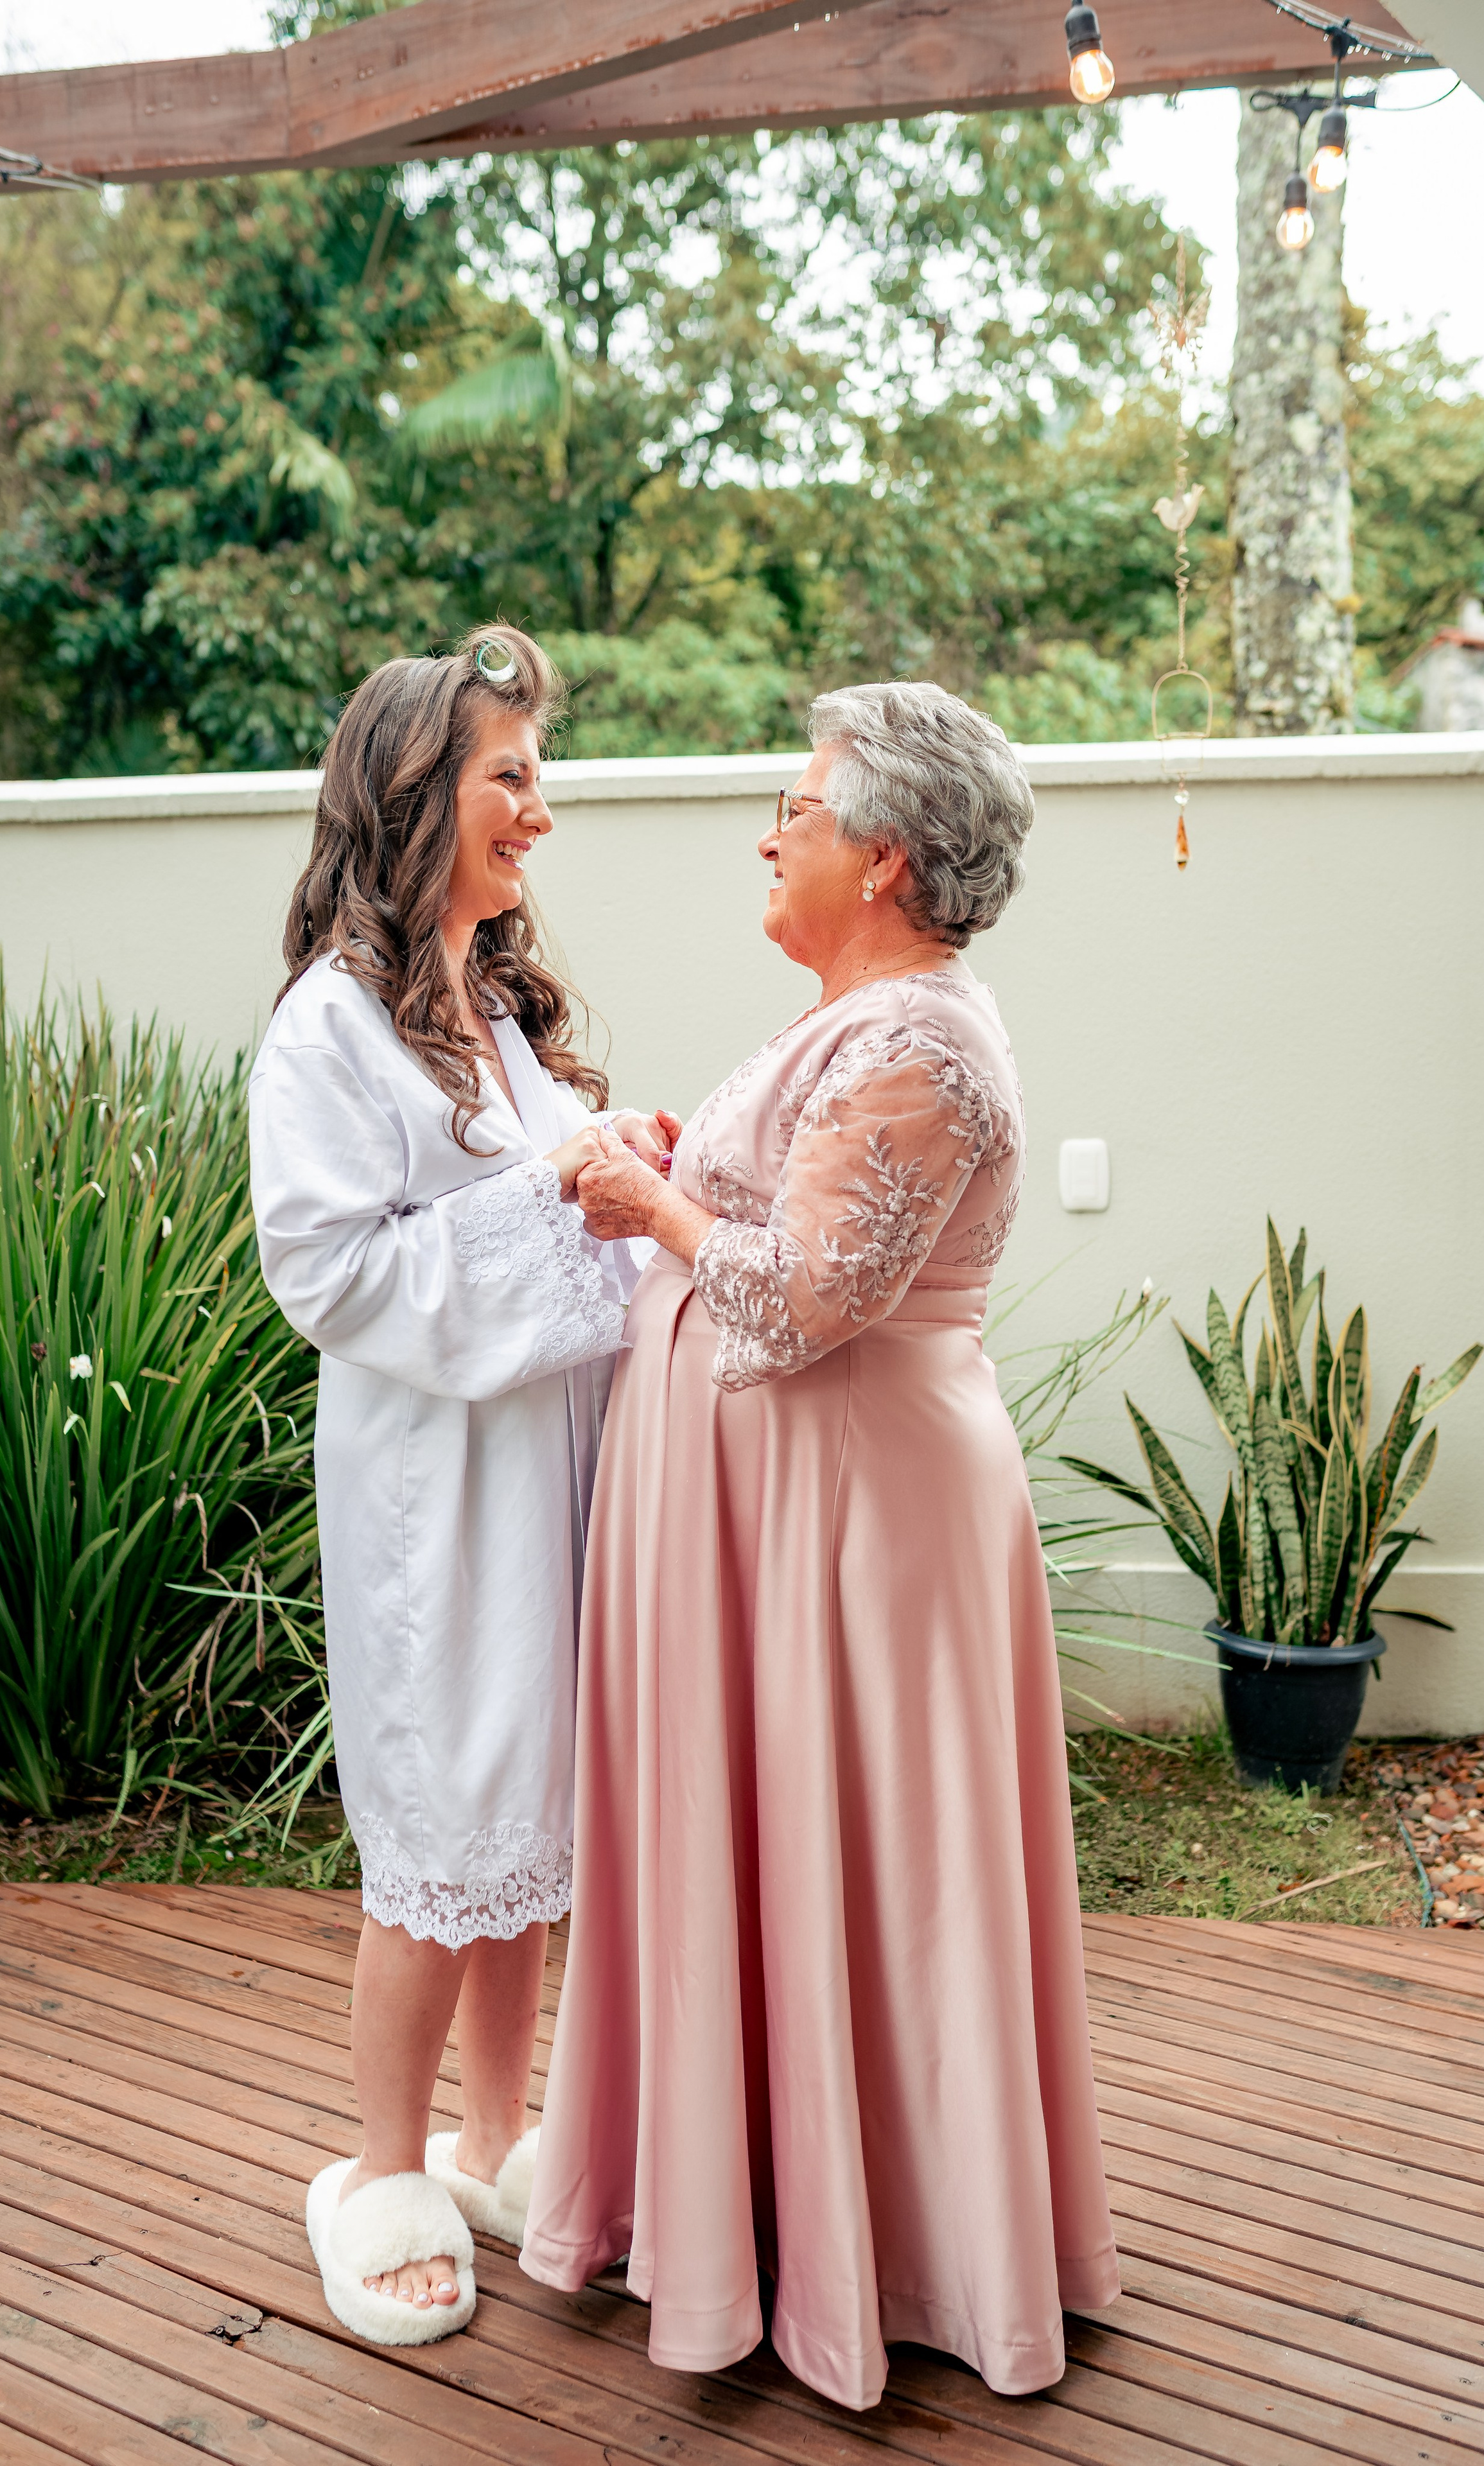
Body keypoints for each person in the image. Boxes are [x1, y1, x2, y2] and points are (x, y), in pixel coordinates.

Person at [521, 680, 1120, 2410]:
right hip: (774, 1523)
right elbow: (775, 1210)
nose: (768, 831)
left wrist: (654, 1207)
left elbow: (797, 1298)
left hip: (851, 1534)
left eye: (798, 805)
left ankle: (885, 2253)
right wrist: (669, 1159)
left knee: (872, 1865)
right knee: (784, 1850)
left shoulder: (924, 1041)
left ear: (887, 856)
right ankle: (762, 2211)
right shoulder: (863, 1023)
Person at [250, 624, 677, 2348]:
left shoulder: (484, 1010)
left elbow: (526, 1208)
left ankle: (494, 2141)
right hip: (437, 1507)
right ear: (417, 794)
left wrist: (605, 1158)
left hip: (543, 1477)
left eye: (539, 779)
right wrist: (553, 1198)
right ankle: (375, 2167)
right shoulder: (328, 1035)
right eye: (515, 778)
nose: (540, 817)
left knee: (531, 1832)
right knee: (439, 1832)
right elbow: (336, 1277)